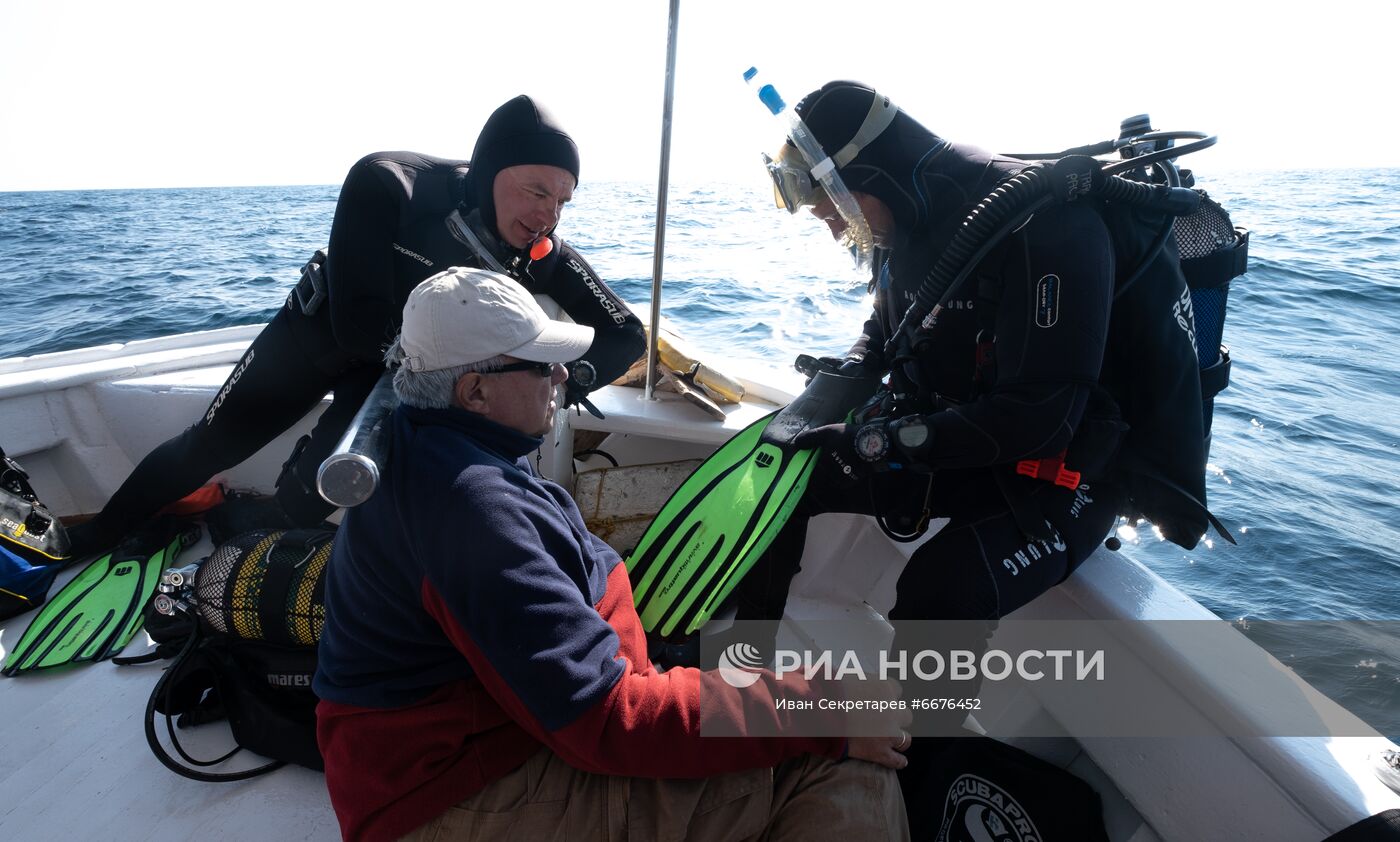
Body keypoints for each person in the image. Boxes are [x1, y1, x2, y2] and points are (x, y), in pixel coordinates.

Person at [735, 80, 1206, 830]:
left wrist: (879, 442)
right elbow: (885, 334)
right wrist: (823, 408)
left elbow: (1042, 419)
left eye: (833, 207)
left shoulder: (1049, 224)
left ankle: (915, 786)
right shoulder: (900, 227)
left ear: (876, 174)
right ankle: (743, 697)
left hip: (1066, 470)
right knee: (780, 488)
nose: (832, 227)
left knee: (942, 593)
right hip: (959, 439)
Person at [313, 267, 910, 842]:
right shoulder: (469, 508)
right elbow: (607, 723)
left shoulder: (439, 445)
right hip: (445, 799)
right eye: (544, 366)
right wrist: (826, 714)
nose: (563, 379)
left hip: (468, 747)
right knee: (842, 770)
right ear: (475, 391)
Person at [67, 95, 646, 556]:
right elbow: (355, 327)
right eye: (537, 190)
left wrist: (569, 381)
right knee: (208, 445)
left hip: (396, 375)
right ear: (492, 170)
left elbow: (627, 335)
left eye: (564, 201)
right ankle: (93, 538)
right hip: (321, 335)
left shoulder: (539, 249)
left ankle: (245, 539)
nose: (548, 214)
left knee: (328, 482)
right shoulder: (390, 184)